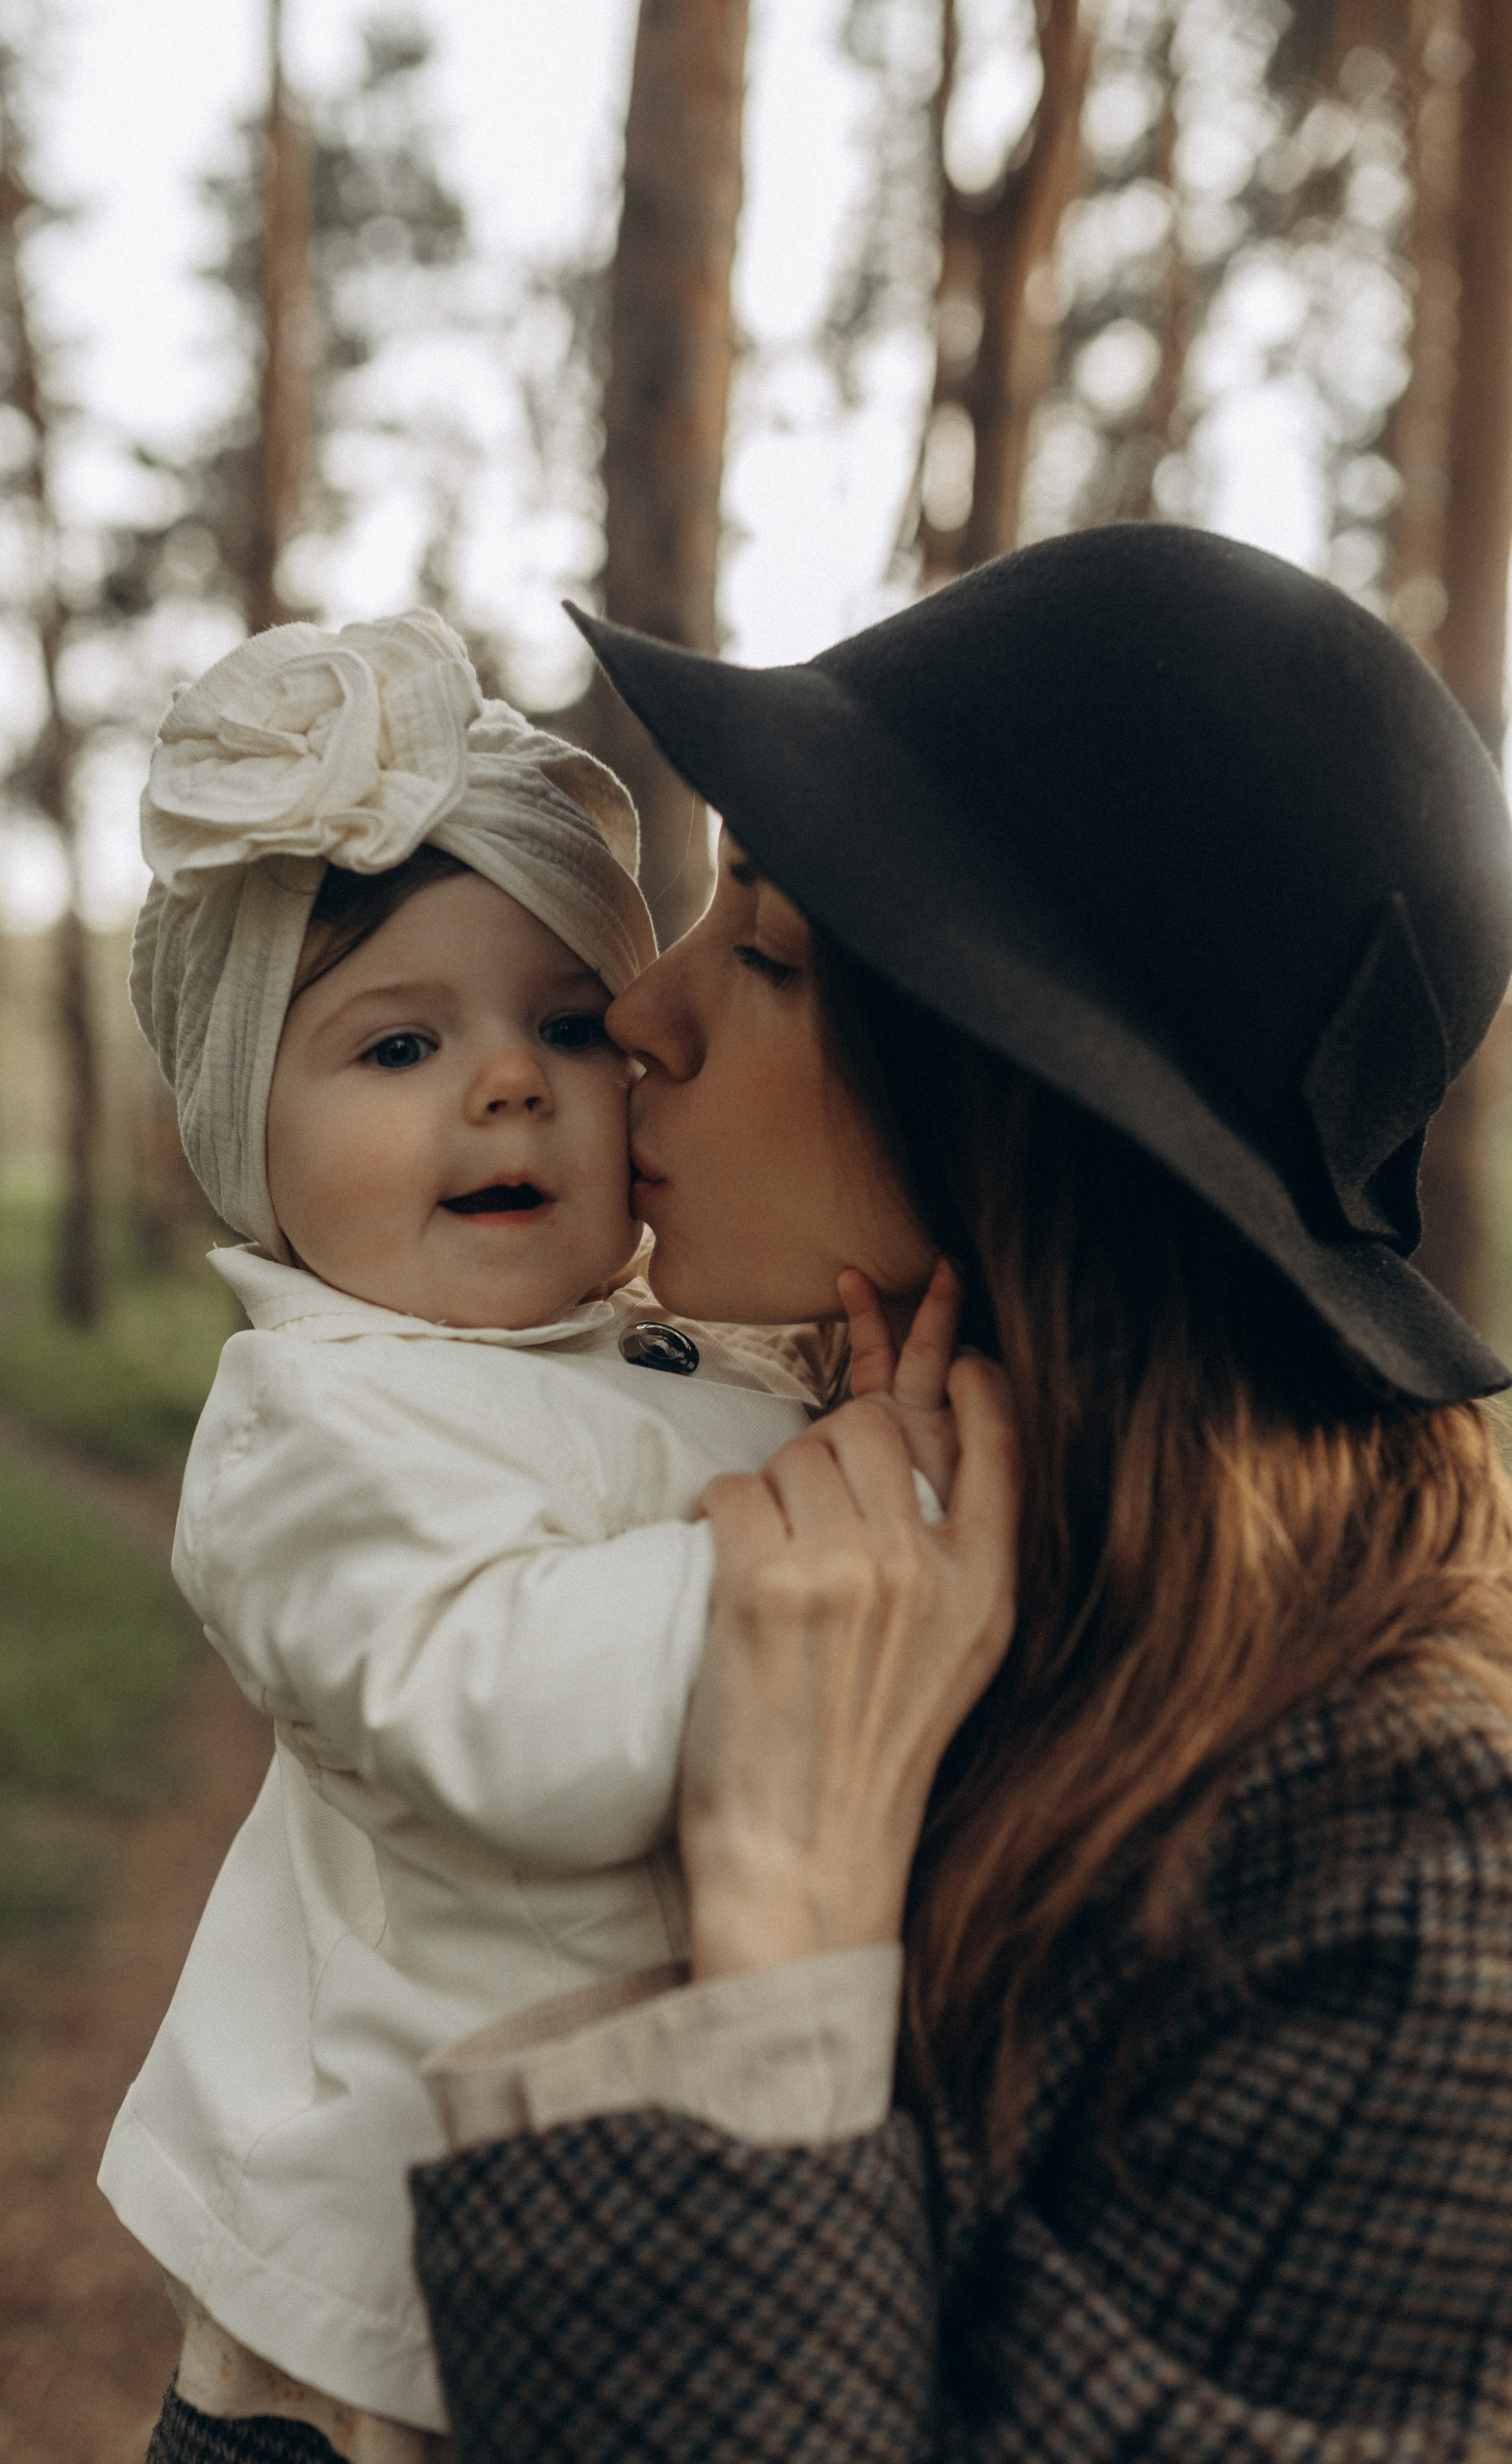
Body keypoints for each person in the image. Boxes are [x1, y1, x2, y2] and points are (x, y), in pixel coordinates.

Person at [389, 526, 1512, 2464]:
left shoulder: (1417, 1903)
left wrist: (791, 1938)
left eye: (769, 957)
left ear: (1034, 1127)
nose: (637, 1016)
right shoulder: (797, 1495)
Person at [103, 609, 950, 2463]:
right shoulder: (318, 1427)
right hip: (370, 2349)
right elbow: (516, 1729)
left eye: (567, 1024)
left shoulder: (676, 1347)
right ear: (251, 1136)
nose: (508, 1083)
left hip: (639, 2242)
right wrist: (856, 1522)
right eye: (398, 1044)